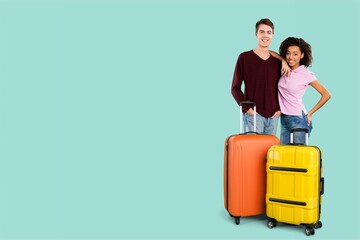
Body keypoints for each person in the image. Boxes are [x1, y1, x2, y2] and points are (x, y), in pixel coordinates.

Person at [231, 18, 289, 135]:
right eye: (262, 32)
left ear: (273, 35)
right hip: (253, 114)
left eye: (269, 32)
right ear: (256, 34)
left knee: (270, 153)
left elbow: (284, 87)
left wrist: (279, 109)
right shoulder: (244, 57)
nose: (265, 35)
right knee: (252, 152)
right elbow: (235, 88)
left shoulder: (277, 62)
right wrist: (247, 108)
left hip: (274, 116)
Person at [277, 37, 331, 144]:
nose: (290, 57)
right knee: (284, 156)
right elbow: (269, 52)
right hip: (284, 118)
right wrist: (282, 60)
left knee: (299, 156)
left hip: (298, 119)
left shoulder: (306, 74)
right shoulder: (284, 69)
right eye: (288, 53)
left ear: (302, 55)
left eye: (295, 54)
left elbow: (326, 94)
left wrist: (310, 113)